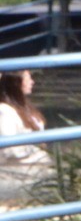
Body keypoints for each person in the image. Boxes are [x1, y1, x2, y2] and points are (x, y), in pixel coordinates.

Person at [1, 70, 49, 201]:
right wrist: (36, 145)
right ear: (16, 83)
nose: (32, 82)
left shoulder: (24, 107)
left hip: (36, 166)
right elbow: (11, 149)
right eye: (28, 79)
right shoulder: (5, 112)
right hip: (19, 171)